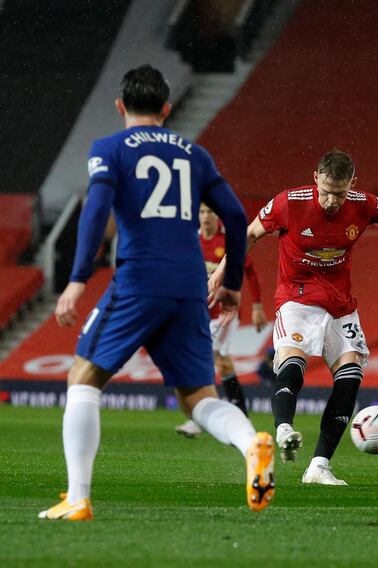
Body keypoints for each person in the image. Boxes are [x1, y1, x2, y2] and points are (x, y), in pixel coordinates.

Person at [39, 65, 275, 521]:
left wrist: (77, 278)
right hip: (188, 284)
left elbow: (97, 210)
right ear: (168, 109)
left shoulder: (109, 148)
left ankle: (77, 497)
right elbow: (233, 213)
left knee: (83, 379)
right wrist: (230, 286)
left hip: (139, 279)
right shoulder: (195, 154)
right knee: (199, 395)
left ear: (120, 106)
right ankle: (251, 444)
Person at [210, 150, 378, 485]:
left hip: (340, 305)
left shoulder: (364, 203)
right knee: (292, 360)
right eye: (325, 191)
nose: (331, 201)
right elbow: (247, 235)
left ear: (352, 183)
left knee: (350, 377)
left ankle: (318, 466)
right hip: (297, 298)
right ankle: (284, 430)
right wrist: (222, 273)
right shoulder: (289, 203)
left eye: (338, 193)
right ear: (316, 178)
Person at [175, 203, 267, 438]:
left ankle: (199, 418)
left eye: (210, 212)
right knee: (224, 365)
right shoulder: (190, 240)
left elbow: (252, 273)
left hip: (224, 316)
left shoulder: (227, 242)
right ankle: (242, 418)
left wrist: (257, 305)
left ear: (218, 216)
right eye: (202, 212)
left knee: (205, 357)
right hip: (198, 314)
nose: (206, 217)